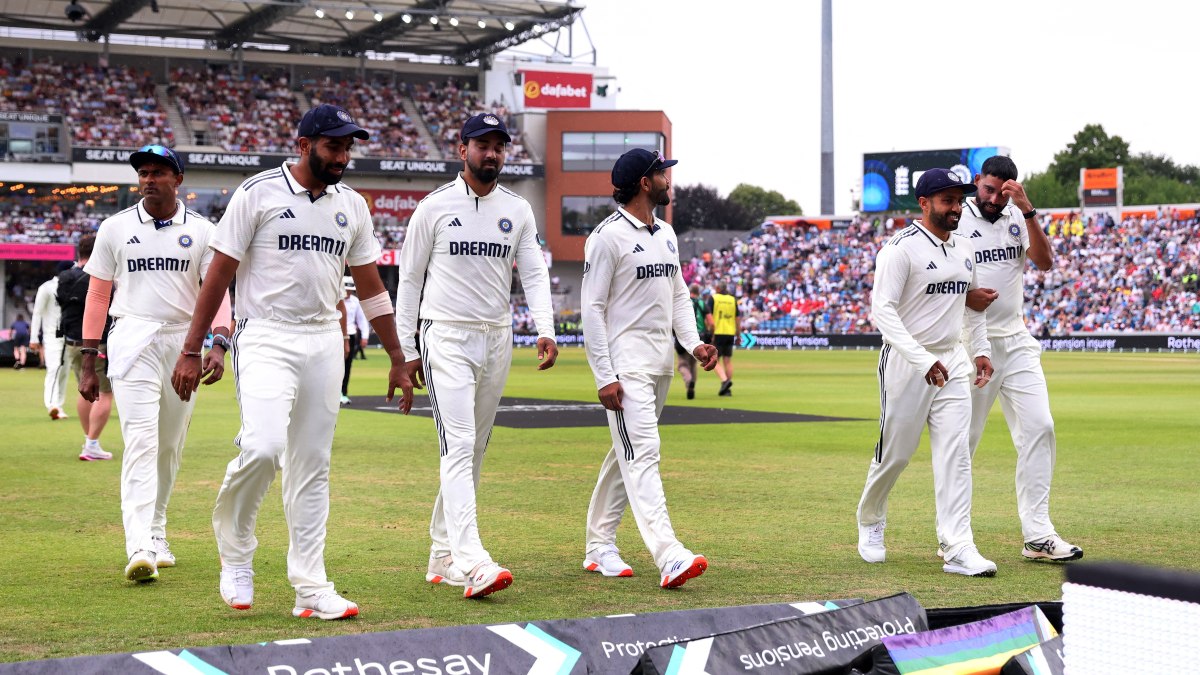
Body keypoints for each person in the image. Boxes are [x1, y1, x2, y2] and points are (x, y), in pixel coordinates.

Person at [170, 104, 414, 619]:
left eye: (348, 147)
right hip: (265, 335)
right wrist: (192, 348)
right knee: (261, 448)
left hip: (325, 338)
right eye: (334, 147)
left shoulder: (352, 204)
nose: (343, 157)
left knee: (312, 466)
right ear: (304, 145)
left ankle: (311, 587)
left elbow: (371, 289)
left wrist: (397, 355)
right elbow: (217, 278)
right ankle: (236, 551)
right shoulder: (258, 193)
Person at [395, 112, 557, 599]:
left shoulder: (519, 209)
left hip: (497, 335)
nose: (492, 153)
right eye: (483, 145)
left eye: (499, 146)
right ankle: (471, 560)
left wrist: (545, 328)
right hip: (443, 334)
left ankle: (442, 553)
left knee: (475, 448)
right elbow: (409, 283)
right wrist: (405, 351)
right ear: (461, 149)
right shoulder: (433, 207)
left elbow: (533, 273)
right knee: (459, 444)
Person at [79, 144, 232, 583]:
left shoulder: (204, 231)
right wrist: (90, 361)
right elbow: (97, 294)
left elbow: (215, 292)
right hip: (133, 337)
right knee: (142, 442)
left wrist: (216, 346)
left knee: (169, 446)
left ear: (177, 180)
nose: (148, 179)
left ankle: (158, 529)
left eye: (158, 172)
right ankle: (140, 544)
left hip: (182, 343)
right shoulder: (115, 227)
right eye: (143, 173)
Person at [581, 148, 718, 589]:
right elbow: (592, 309)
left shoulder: (666, 234)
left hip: (659, 365)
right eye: (662, 173)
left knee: (627, 454)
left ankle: (599, 544)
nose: (668, 179)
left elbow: (679, 295)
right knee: (644, 452)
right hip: (626, 365)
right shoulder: (607, 237)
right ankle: (668, 553)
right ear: (644, 182)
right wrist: (604, 374)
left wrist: (694, 343)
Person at [855, 168, 997, 577]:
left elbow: (972, 306)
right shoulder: (900, 250)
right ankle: (870, 519)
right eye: (947, 200)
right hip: (906, 363)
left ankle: (957, 546)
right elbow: (882, 311)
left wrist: (981, 351)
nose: (957, 208)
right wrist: (921, 360)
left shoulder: (965, 248)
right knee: (896, 454)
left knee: (956, 454)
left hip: (951, 359)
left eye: (959, 200)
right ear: (924, 203)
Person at [959, 155, 1082, 562]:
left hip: (1015, 339)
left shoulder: (1017, 215)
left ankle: (1038, 536)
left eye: (1002, 191)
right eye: (988, 189)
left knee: (1040, 427)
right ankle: (955, 537)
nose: (994, 198)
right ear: (978, 181)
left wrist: (1028, 209)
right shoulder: (957, 218)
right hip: (970, 343)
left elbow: (1045, 262)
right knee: (963, 443)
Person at [58, 234, 115, 461]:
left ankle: (90, 440)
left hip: (72, 342)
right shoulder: (100, 276)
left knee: (84, 389)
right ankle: (91, 444)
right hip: (96, 342)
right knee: (104, 392)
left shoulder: (64, 277)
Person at [30, 267, 70, 419]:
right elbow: (37, 312)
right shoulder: (46, 288)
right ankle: (52, 405)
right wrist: (34, 338)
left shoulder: (72, 286)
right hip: (52, 335)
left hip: (69, 336)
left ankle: (59, 405)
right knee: (54, 368)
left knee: (65, 371)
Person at [672, 283, 706, 399]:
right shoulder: (702, 303)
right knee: (693, 364)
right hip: (697, 337)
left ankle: (688, 380)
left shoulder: (683, 301)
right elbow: (710, 321)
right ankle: (692, 385)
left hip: (682, 337)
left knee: (682, 364)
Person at [705, 280, 740, 396]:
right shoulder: (733, 299)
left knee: (713, 359)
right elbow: (737, 318)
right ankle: (727, 389)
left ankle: (725, 381)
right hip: (730, 332)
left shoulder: (713, 298)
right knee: (727, 361)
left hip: (718, 332)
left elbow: (708, 316)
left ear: (718, 288)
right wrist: (738, 334)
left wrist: (709, 332)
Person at [340, 275, 368, 405]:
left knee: (347, 366)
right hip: (336, 334)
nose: (348, 292)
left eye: (350, 290)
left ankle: (343, 393)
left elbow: (361, 319)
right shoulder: (335, 299)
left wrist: (365, 336)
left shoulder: (355, 301)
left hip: (350, 335)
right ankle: (332, 394)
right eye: (346, 289)